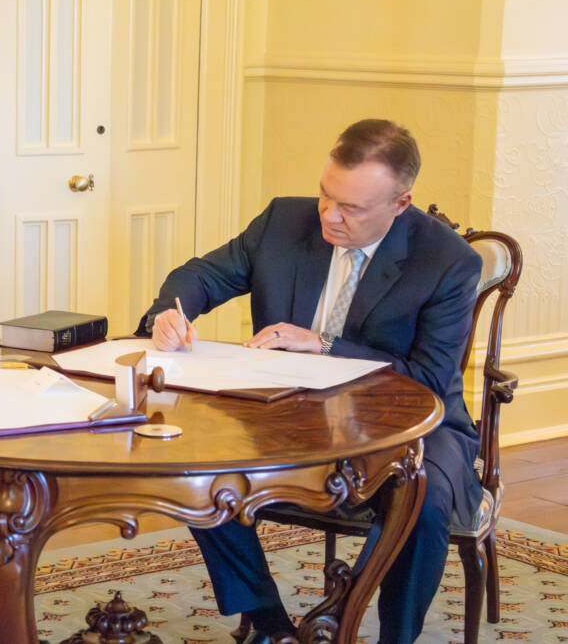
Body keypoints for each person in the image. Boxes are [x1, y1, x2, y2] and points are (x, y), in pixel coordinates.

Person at [137, 119, 482, 644]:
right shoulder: (283, 220)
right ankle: (272, 626)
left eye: (352, 208)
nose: (330, 214)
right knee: (194, 467)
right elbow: (201, 275)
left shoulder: (447, 262)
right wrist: (170, 313)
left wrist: (322, 345)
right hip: (288, 412)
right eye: (326, 195)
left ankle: (397, 637)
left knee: (423, 494)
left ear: (401, 203)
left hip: (414, 423)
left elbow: (431, 377)